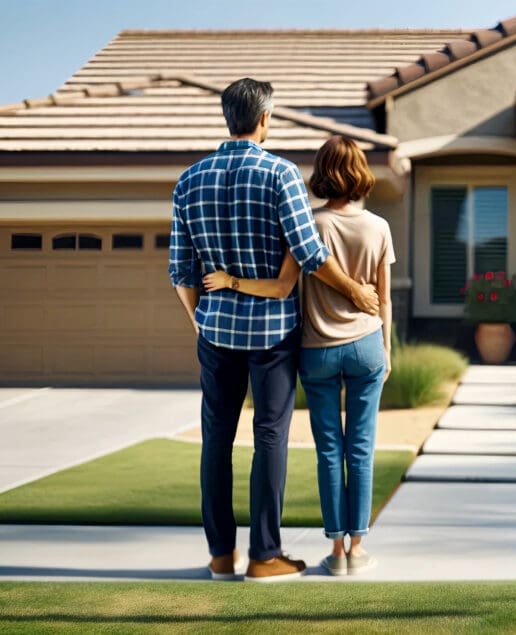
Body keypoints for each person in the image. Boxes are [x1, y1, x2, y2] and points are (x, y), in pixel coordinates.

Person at [169, 78, 380, 582]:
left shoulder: (189, 180)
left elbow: (180, 272)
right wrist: (356, 291)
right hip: (271, 336)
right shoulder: (281, 173)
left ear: (228, 118)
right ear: (264, 119)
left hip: (215, 333)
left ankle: (222, 556)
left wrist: (201, 319)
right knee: (270, 437)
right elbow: (310, 256)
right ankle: (265, 556)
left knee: (215, 439)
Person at [204, 135, 393, 576]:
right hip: (366, 345)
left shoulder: (309, 223)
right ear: (362, 174)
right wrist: (385, 350)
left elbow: (292, 281)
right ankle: (358, 548)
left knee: (329, 450)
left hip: (317, 349)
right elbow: (383, 299)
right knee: (360, 449)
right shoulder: (380, 227)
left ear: (323, 174)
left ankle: (336, 553)